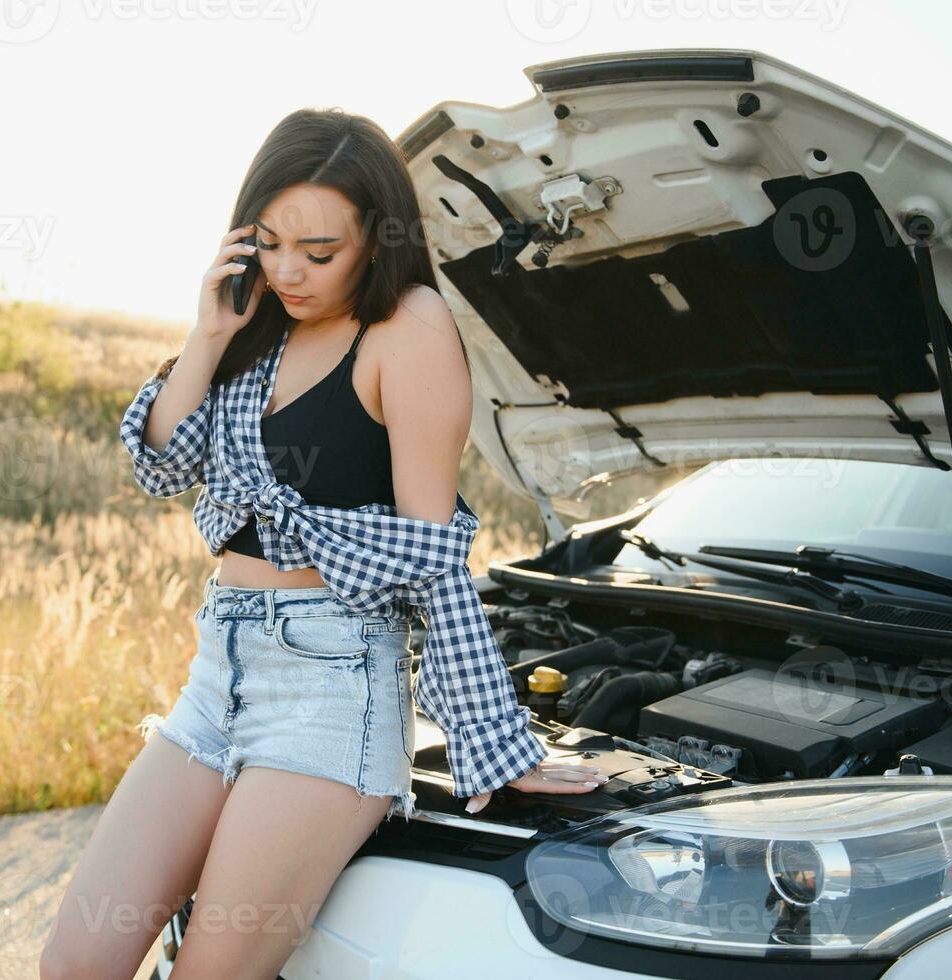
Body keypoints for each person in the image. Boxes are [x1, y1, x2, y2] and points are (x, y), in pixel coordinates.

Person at [40, 107, 607, 980]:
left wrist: (489, 736)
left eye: (318, 252)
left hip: (331, 690)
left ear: (375, 244)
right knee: (73, 967)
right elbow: (159, 468)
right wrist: (209, 333)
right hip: (218, 672)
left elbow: (429, 558)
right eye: (268, 243)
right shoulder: (256, 325)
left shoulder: (407, 327)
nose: (288, 271)